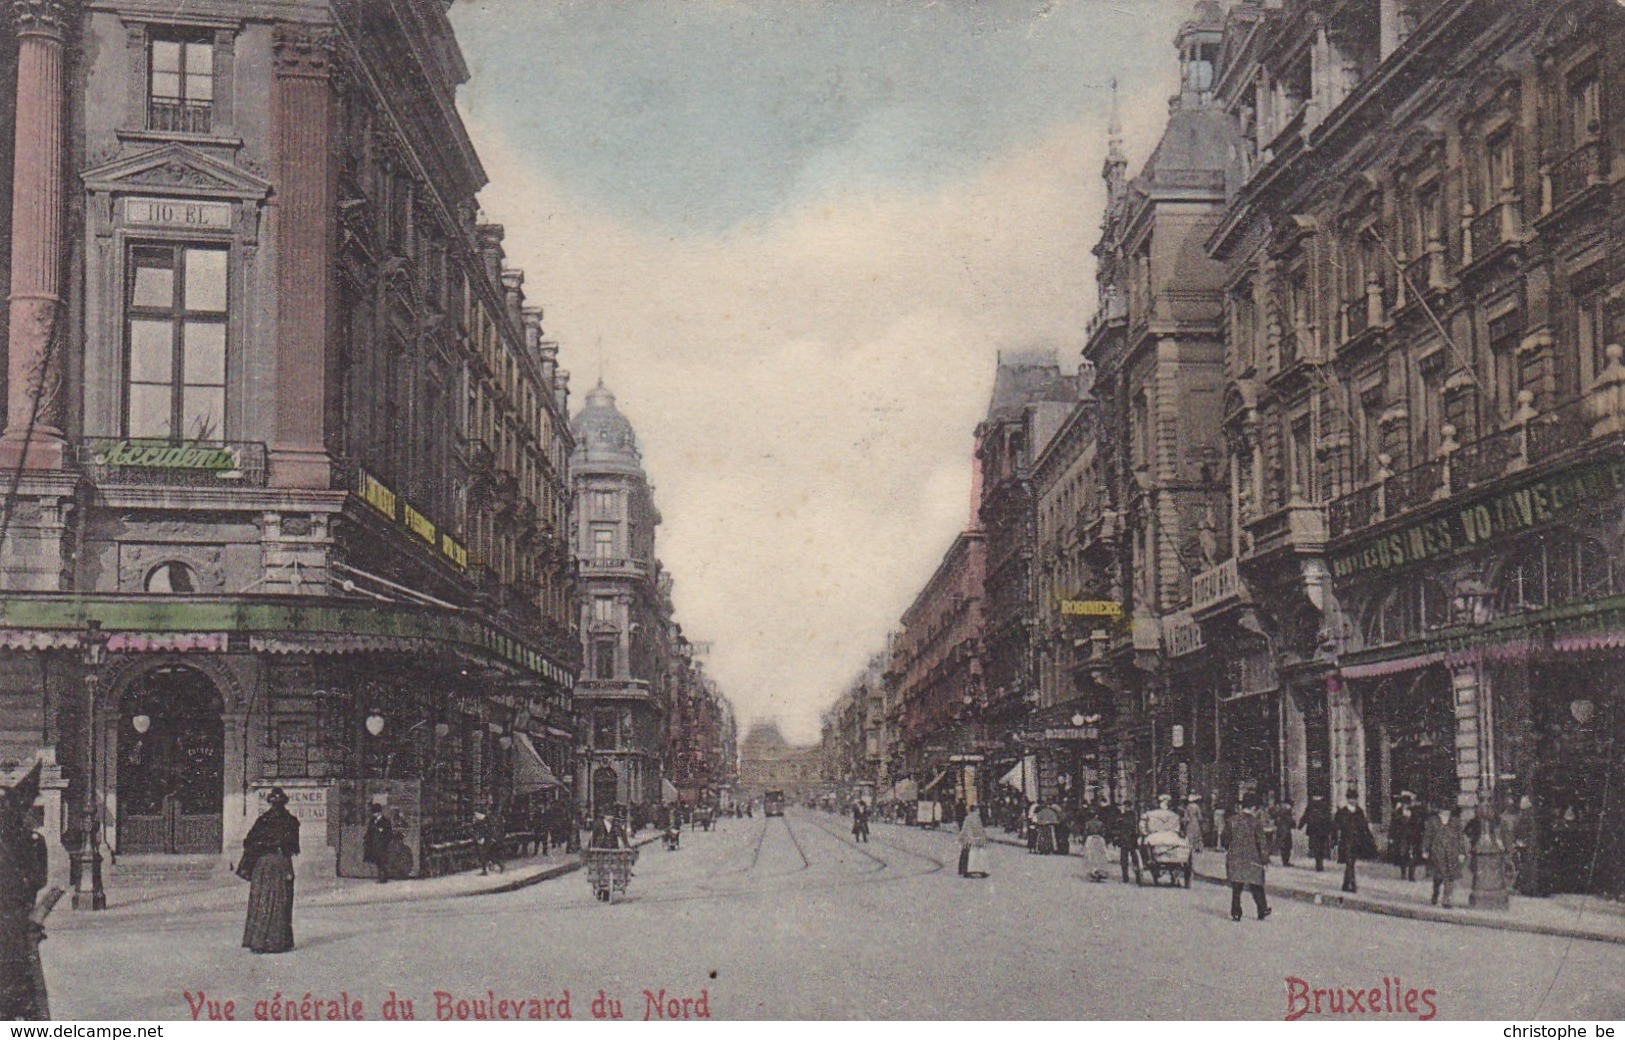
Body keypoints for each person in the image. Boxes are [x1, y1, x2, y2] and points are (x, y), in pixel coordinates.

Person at [242, 787, 300, 954]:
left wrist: (261, 848)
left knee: (262, 901)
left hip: (264, 864)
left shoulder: (263, 820)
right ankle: (278, 942)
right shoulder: (291, 821)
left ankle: (259, 941)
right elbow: (294, 847)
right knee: (281, 901)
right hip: (281, 862)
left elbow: (248, 842)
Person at [1226, 795, 1272, 922]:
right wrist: (1264, 859)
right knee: (1256, 885)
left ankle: (1236, 912)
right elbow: (1262, 843)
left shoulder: (1231, 820)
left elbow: (1225, 839)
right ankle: (1262, 910)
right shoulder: (1255, 823)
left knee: (1236, 887)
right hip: (1252, 858)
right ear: (1253, 808)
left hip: (1235, 856)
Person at [1332, 788, 1377, 893]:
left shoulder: (1359, 811)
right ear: (1347, 799)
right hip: (1346, 841)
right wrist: (1334, 841)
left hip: (1357, 841)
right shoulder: (1342, 812)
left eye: (1354, 799)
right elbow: (1335, 827)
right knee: (1349, 862)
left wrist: (1370, 840)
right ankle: (1352, 884)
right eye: (1351, 798)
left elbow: (1364, 827)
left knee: (1351, 862)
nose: (1353, 801)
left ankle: (1345, 883)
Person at [1424, 804, 1468, 908]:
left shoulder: (1455, 822)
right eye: (1443, 809)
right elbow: (1427, 836)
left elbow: (1460, 838)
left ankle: (1446, 899)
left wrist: (1461, 852)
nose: (1445, 812)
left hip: (1451, 852)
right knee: (1438, 877)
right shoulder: (1433, 821)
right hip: (1437, 852)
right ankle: (1435, 893)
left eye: (1447, 810)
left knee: (1450, 876)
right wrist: (1425, 849)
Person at [1390, 797, 1423, 881]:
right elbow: (1392, 826)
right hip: (1401, 837)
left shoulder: (1415, 814)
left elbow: (1419, 826)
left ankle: (1411, 875)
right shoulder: (1397, 813)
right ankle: (1403, 873)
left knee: (1412, 856)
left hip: (1413, 837)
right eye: (1404, 804)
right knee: (1402, 855)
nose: (1406, 806)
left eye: (1407, 804)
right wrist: (1391, 837)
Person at [1299, 795, 1333, 872]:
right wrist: (1331, 828)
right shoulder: (1325, 804)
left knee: (1316, 847)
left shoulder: (1311, 805)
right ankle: (1320, 863)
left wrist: (1300, 825)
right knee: (1321, 847)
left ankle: (1319, 863)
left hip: (1314, 830)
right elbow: (1329, 817)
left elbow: (1306, 815)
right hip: (1322, 830)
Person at [363, 803, 393, 884]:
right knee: (377, 861)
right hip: (374, 845)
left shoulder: (385, 821)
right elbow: (369, 832)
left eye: (375, 812)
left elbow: (389, 834)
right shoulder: (372, 821)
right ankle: (380, 876)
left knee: (383, 861)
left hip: (382, 846)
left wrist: (385, 842)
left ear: (379, 812)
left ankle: (384, 878)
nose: (374, 814)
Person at [958, 805, 990, 878]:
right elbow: (980, 830)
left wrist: (962, 837)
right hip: (975, 840)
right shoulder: (977, 818)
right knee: (978, 855)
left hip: (969, 839)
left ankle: (964, 870)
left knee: (966, 855)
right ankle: (981, 870)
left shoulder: (968, 818)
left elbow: (965, 829)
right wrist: (983, 838)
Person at [1080, 811, 1112, 882]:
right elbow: (1103, 832)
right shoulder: (1101, 823)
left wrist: (1083, 843)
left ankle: (1092, 872)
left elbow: (1085, 833)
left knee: (1091, 856)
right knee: (1100, 856)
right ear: (1096, 815)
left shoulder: (1087, 823)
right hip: (1099, 839)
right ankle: (1100, 871)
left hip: (1090, 839)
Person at [1116, 800, 1141, 883]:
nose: (1126, 808)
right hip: (1129, 840)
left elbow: (1120, 827)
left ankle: (1130, 877)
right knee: (1130, 860)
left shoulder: (1127, 816)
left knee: (1128, 860)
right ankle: (1133, 877)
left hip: (1128, 840)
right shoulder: (1132, 816)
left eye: (1126, 806)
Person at [1271, 800, 1296, 866]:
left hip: (1280, 831)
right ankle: (1286, 861)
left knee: (1283, 846)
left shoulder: (1280, 815)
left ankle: (1284, 860)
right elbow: (1293, 824)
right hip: (1286, 832)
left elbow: (1276, 822)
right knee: (1287, 846)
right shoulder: (1288, 816)